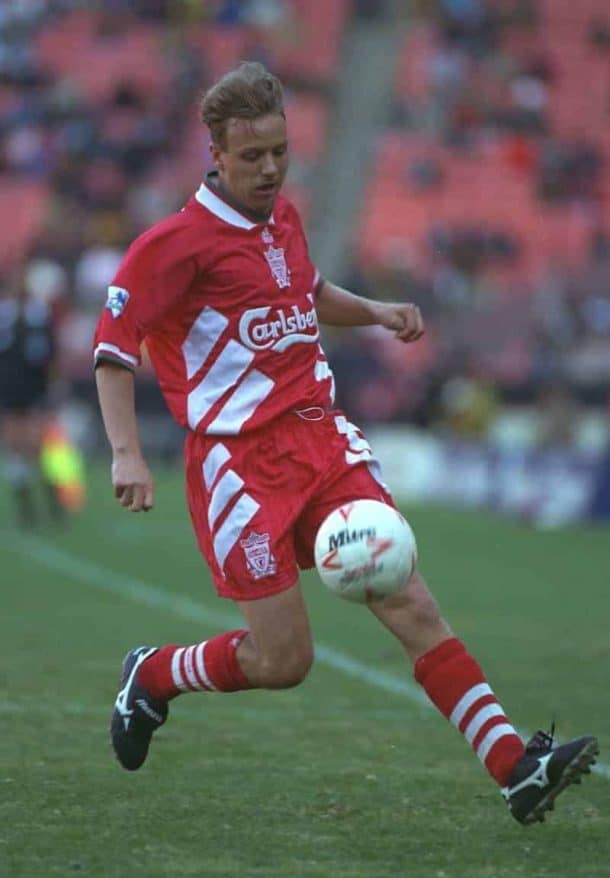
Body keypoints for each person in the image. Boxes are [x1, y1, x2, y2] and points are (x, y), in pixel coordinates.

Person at [93, 62, 598, 825]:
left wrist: (377, 310)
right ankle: (154, 674)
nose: (269, 169)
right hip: (240, 469)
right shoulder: (175, 245)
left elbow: (308, 291)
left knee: (412, 599)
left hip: (322, 441)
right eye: (252, 155)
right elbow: (112, 347)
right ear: (217, 154)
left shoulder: (283, 219)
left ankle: (515, 768)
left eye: (280, 152)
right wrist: (126, 451)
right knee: (282, 661)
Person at [0, 270, 64, 526]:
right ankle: (26, 505)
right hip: (9, 388)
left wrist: (55, 383)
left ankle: (53, 499)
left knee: (38, 445)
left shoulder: (40, 315)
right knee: (15, 445)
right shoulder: (4, 314)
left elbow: (51, 353)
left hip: (35, 388)